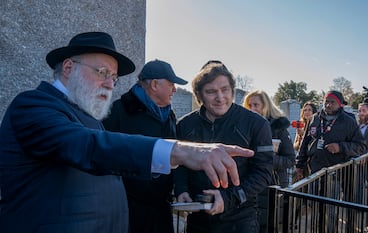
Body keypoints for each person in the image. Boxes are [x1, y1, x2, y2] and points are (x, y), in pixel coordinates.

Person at [0, 32, 254, 233]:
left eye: (113, 77)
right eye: (102, 72)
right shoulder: (33, 106)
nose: (110, 83)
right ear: (68, 67)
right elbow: (90, 146)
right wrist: (180, 150)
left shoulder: (89, 116)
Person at [174, 63, 274, 233]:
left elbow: (263, 173)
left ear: (232, 91)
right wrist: (181, 189)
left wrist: (229, 198)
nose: (220, 97)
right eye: (211, 92)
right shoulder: (185, 125)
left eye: (225, 90)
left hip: (240, 220)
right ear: (200, 96)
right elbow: (179, 163)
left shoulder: (256, 124)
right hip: (198, 219)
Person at [102, 59, 187, 233]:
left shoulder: (169, 115)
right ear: (155, 84)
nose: (175, 89)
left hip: (160, 209)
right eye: (171, 84)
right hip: (128, 211)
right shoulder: (120, 111)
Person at [242, 90, 296, 233]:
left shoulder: (278, 128)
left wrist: (265, 159)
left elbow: (290, 159)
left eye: (256, 105)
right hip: (248, 184)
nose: (252, 109)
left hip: (272, 183)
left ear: (265, 106)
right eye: (249, 105)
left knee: (269, 225)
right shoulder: (243, 127)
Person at [296, 90, 366, 178]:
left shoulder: (349, 122)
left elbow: (360, 146)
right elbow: (305, 142)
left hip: (339, 171)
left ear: (340, 104)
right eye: (327, 101)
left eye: (332, 102)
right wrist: (299, 165)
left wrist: (340, 147)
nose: (328, 105)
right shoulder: (314, 118)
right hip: (316, 169)